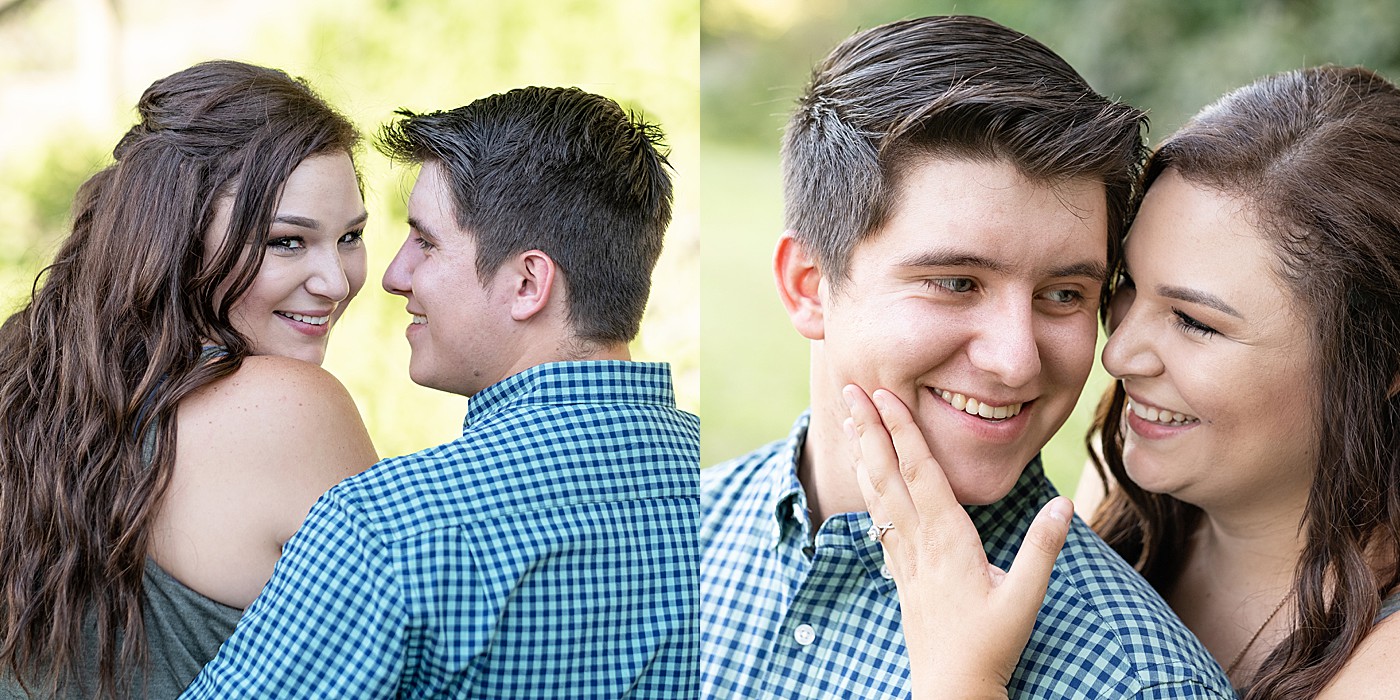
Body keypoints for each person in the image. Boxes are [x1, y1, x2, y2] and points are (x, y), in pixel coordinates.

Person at [700, 14, 1232, 699]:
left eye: (1064, 294)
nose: (1016, 362)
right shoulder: (667, 540)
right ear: (809, 285)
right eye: (956, 283)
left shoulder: (1142, 683)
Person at [862, 65, 1400, 699]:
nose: (1116, 355)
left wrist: (963, 681)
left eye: (1195, 323)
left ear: (1384, 364)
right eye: (1125, 287)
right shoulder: (1123, 487)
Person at [180, 86, 698, 698]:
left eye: (425, 242)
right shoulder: (732, 498)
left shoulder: (387, 530)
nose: (393, 275)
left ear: (529, 283)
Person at [0, 61, 377, 699]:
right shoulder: (288, 407)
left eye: (351, 237)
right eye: (288, 242)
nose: (336, 282)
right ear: (182, 237)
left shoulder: (29, 384)